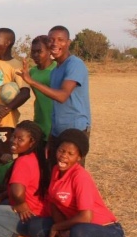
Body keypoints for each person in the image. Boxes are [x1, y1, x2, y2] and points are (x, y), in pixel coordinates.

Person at [43, 129, 123, 237]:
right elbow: (53, 202)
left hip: (109, 231)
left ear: (79, 157)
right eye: (61, 150)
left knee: (78, 232)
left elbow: (86, 216)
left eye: (70, 154)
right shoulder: (56, 170)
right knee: (40, 228)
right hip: (80, 227)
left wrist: (58, 227)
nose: (63, 156)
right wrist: (60, 226)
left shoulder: (80, 177)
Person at [18, 26, 91, 167]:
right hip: (58, 130)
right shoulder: (56, 70)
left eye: (60, 40)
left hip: (75, 129)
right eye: (51, 40)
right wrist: (51, 138)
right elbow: (56, 108)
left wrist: (31, 81)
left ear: (68, 42)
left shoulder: (75, 64)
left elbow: (62, 96)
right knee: (55, 171)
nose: (55, 43)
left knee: (71, 173)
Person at [25, 36, 57, 140]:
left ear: (49, 51)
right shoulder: (32, 72)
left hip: (54, 120)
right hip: (40, 118)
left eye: (39, 51)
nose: (35, 55)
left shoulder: (57, 68)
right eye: (33, 52)